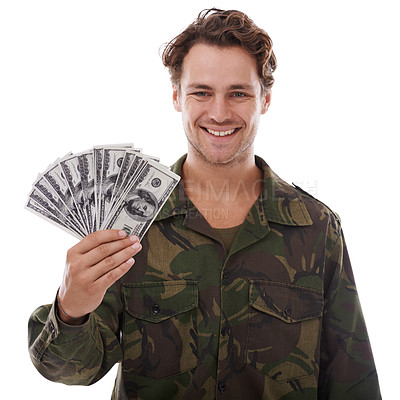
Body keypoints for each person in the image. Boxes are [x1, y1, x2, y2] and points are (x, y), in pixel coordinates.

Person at [28, 8, 381, 399]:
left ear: (264, 100)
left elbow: (352, 379)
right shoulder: (126, 220)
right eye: (201, 92)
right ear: (177, 96)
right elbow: (73, 371)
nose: (218, 112)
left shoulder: (317, 228)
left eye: (238, 93)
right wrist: (70, 310)